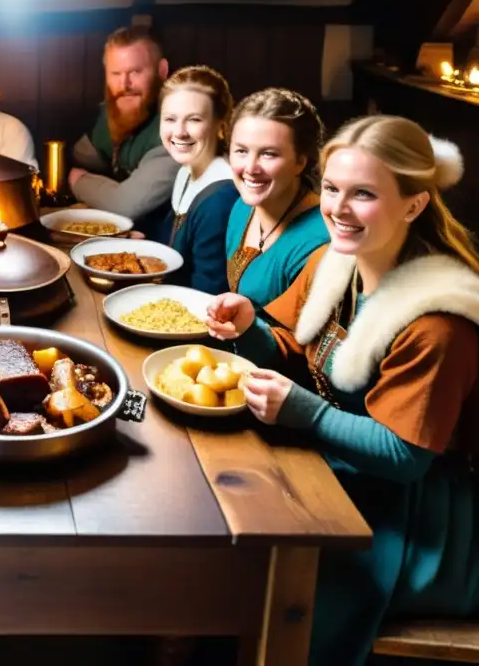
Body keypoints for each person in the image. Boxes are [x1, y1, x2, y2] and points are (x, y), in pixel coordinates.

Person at [205, 116, 479, 666]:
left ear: (413, 204)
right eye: (331, 188)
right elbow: (291, 345)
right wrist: (249, 328)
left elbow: (406, 456)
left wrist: (304, 413)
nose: (337, 208)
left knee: (287, 588)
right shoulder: (336, 264)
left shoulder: (439, 323)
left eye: (363, 194)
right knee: (223, 537)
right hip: (333, 467)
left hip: (418, 520)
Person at [225, 88, 330, 309]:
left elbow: (304, 341)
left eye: (268, 154)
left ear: (300, 162)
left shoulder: (320, 240)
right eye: (241, 151)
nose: (251, 168)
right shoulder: (241, 208)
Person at [68, 26, 179, 232]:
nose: (124, 84)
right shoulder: (111, 111)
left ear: (162, 71)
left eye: (135, 71)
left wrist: (79, 181)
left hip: (166, 247)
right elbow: (79, 156)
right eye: (115, 73)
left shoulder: (176, 126)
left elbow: (125, 205)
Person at [147, 66, 239, 294]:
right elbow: (173, 240)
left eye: (194, 120)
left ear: (220, 126)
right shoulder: (187, 172)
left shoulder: (220, 198)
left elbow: (208, 293)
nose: (179, 131)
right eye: (170, 119)